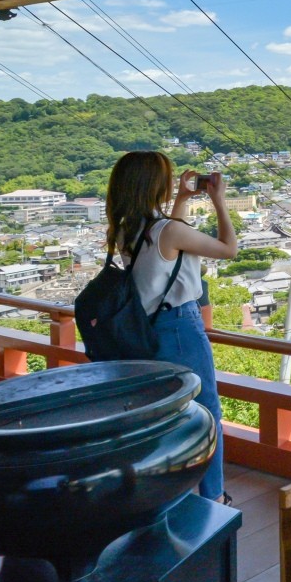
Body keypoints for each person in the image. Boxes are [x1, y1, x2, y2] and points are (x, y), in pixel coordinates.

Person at [105, 150, 238, 503]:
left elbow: (167, 250)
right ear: (153, 185)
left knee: (166, 414)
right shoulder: (167, 230)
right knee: (207, 411)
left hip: (146, 330)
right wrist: (219, 201)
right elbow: (229, 249)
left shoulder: (126, 229)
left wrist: (181, 200)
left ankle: (169, 497)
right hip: (181, 326)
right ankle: (213, 497)